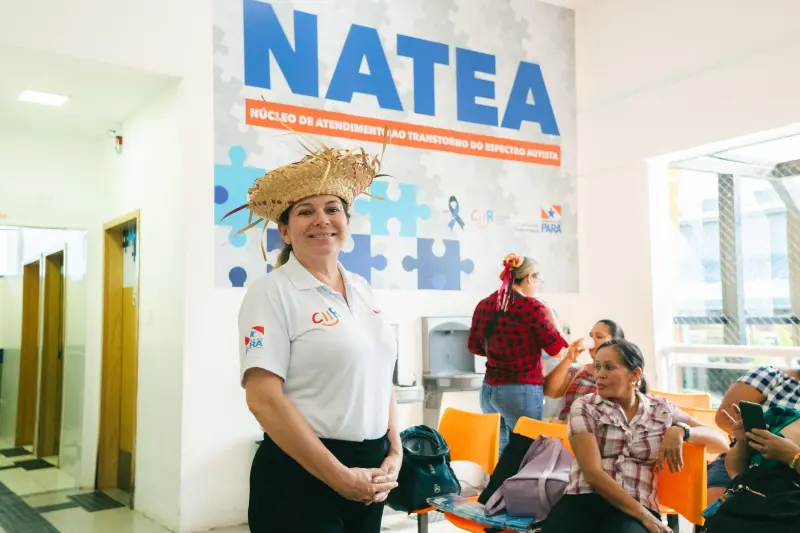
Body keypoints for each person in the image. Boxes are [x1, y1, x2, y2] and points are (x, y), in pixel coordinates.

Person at [232, 138, 401, 532]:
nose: (322, 219)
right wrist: (339, 476)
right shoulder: (271, 292)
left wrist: (395, 450)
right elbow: (263, 398)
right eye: (305, 211)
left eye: (332, 209)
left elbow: (381, 377)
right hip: (299, 477)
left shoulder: (362, 288)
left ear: (346, 222)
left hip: (371, 474)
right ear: (285, 231)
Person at [543, 340, 729, 533]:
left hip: (637, 502)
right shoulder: (585, 406)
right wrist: (645, 517)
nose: (599, 374)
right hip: (584, 498)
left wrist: (682, 431)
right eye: (597, 367)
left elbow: (720, 442)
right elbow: (592, 473)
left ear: (635, 374)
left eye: (609, 367)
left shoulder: (661, 409)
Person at [468, 254, 568, 454]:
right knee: (527, 454)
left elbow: (474, 347)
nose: (538, 285)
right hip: (520, 391)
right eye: (538, 279)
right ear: (529, 277)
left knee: (502, 453)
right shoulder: (532, 308)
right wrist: (550, 315)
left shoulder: (485, 304)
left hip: (489, 391)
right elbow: (558, 350)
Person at [706, 365, 800, 506]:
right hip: (749, 455)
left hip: (784, 480)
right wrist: (747, 440)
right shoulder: (782, 412)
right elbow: (725, 416)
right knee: (721, 499)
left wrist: (792, 455)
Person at [544, 319, 625, 420]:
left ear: (616, 343)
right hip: (564, 429)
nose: (592, 341)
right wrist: (569, 358)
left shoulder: (624, 378)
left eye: (599, 336)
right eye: (591, 336)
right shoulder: (578, 371)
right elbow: (548, 391)